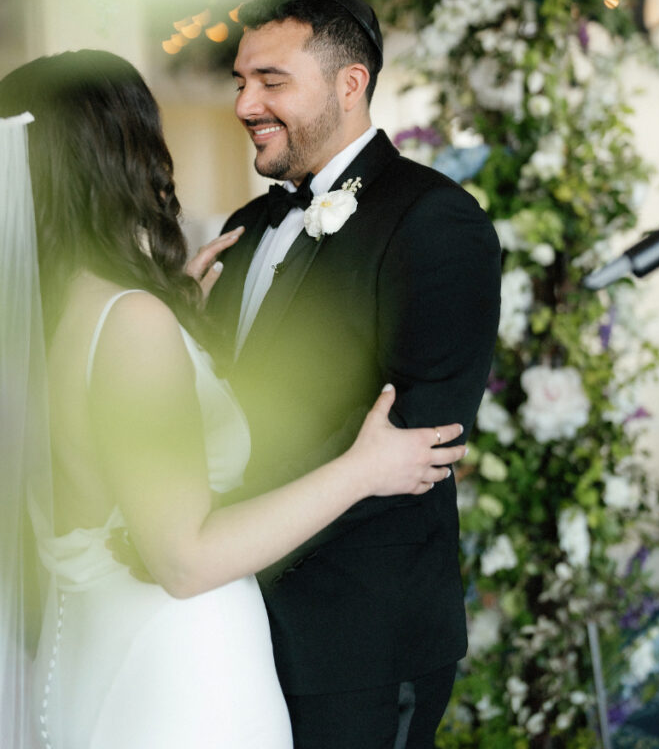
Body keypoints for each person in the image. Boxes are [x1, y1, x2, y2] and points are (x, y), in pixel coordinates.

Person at [0, 50, 468, 749]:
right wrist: (363, 469)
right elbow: (184, 560)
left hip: (83, 663)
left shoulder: (35, 327)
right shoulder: (130, 324)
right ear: (124, 155)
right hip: (181, 680)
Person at [208, 0, 502, 748]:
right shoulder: (246, 227)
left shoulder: (433, 219)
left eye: (271, 81)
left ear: (350, 83)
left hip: (361, 638)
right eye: (241, 82)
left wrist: (220, 534)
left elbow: (420, 442)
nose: (245, 103)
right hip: (232, 624)